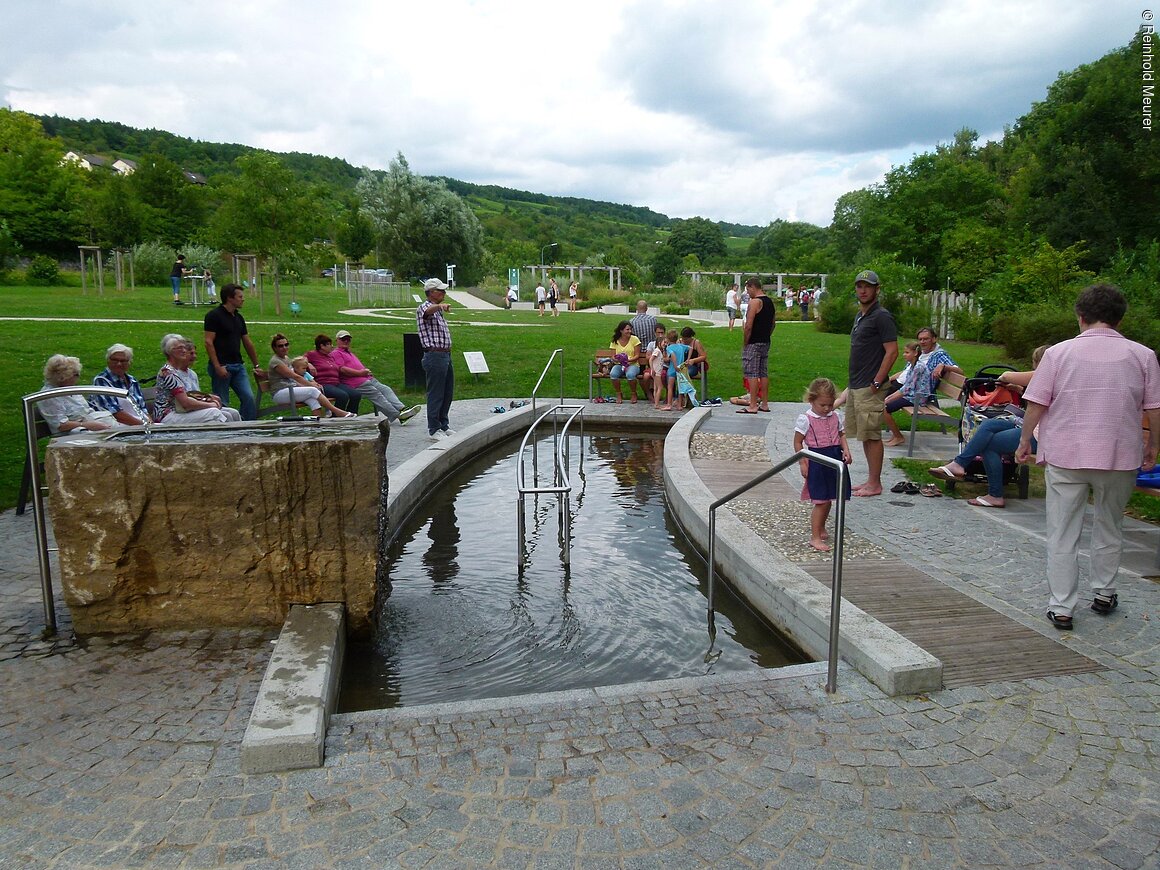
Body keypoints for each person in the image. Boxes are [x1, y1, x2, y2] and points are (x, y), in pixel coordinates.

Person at [1014, 284, 1160, 630]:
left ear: (1080, 316)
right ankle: (1105, 592)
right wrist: (1153, 446)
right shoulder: (1142, 355)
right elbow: (1154, 408)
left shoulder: (1058, 354)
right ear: (1120, 318)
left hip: (1066, 454)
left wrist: (1024, 441)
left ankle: (1062, 606)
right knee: (1110, 524)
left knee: (1063, 531)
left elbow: (1037, 403)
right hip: (1120, 455)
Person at [927, 345, 1049, 506]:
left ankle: (994, 494)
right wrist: (1019, 390)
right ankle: (959, 464)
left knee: (989, 445)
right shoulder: (1050, 377)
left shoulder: (1045, 373)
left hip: (1041, 434)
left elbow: (1006, 375)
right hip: (1034, 427)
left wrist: (1006, 378)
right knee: (990, 424)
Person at [845, 269, 899, 497]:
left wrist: (877, 382)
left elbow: (892, 351)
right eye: (859, 285)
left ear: (877, 289)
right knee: (865, 435)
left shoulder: (882, 316)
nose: (863, 290)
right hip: (857, 383)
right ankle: (870, 480)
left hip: (870, 386)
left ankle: (875, 483)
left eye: (868, 286)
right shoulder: (861, 315)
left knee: (872, 435)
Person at [794, 377, 852, 552]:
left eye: (830, 404)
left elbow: (841, 434)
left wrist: (846, 450)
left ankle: (821, 527)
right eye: (822, 405)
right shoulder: (806, 419)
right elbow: (798, 443)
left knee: (829, 497)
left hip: (835, 458)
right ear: (811, 400)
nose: (827, 408)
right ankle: (815, 537)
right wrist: (803, 463)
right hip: (818, 460)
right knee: (821, 500)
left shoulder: (835, 416)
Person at [330, 330, 418, 423]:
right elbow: (342, 369)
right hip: (355, 382)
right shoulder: (336, 353)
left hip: (366, 378)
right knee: (377, 395)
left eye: (348, 339)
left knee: (385, 389)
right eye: (343, 339)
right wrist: (360, 373)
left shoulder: (349, 352)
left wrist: (366, 372)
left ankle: (402, 409)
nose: (346, 341)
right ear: (337, 340)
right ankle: (399, 416)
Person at [153, 334, 242, 425]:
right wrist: (211, 405)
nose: (184, 351)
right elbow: (186, 404)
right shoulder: (168, 373)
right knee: (214, 413)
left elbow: (192, 397)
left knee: (232, 413)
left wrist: (210, 399)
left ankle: (239, 438)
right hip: (168, 415)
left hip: (183, 412)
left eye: (184, 347)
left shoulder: (182, 372)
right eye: (180, 348)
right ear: (170, 351)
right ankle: (226, 438)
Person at [204, 283, 262, 420]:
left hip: (237, 365)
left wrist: (256, 365)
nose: (243, 299)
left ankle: (247, 428)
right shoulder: (214, 316)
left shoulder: (238, 317)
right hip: (222, 365)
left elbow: (247, 342)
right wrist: (217, 366)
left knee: (248, 398)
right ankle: (225, 432)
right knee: (222, 401)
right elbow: (208, 342)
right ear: (230, 298)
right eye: (240, 296)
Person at [267, 334, 352, 418]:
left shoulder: (285, 358)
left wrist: (311, 382)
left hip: (291, 389)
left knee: (313, 400)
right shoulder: (276, 362)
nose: (284, 347)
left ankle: (317, 426)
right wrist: (311, 385)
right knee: (313, 390)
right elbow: (295, 376)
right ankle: (337, 412)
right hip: (280, 393)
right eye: (280, 346)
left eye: (286, 344)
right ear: (275, 348)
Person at [38, 354, 121, 434]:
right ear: (64, 376)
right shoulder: (50, 396)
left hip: (89, 425)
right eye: (76, 374)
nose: (78, 377)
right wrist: (87, 425)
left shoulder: (68, 388)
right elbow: (61, 425)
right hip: (73, 433)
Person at [417, 278, 456, 440]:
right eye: (441, 291)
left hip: (445, 355)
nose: (444, 293)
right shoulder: (425, 307)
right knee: (436, 393)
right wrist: (439, 306)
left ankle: (443, 424)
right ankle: (434, 429)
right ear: (432, 292)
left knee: (447, 392)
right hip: (434, 356)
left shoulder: (437, 310)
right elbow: (427, 311)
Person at [881, 342, 932, 447]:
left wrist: (888, 399)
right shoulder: (911, 364)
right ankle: (895, 436)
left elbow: (907, 389)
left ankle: (898, 437)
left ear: (915, 353)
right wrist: (888, 398)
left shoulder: (918, 367)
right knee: (883, 405)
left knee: (883, 407)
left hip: (917, 398)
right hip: (911, 395)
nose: (904, 355)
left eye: (907, 352)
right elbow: (906, 386)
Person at [738, 277, 774, 415]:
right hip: (765, 341)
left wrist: (745, 342)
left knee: (752, 372)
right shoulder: (769, 302)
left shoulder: (755, 302)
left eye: (748, 289)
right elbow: (773, 324)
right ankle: (764, 403)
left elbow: (748, 325)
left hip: (754, 342)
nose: (748, 293)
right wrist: (767, 335)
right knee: (763, 372)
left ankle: (752, 405)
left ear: (753, 287)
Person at [91, 343, 148, 426]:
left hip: (140, 424)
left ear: (129, 363)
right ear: (108, 361)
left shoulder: (132, 380)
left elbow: (142, 409)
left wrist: (150, 423)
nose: (119, 364)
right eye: (115, 360)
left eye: (123, 361)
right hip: (117, 426)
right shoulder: (101, 381)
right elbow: (115, 413)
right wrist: (145, 425)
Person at [305, 334, 361, 414]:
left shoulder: (330, 357)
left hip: (336, 383)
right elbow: (300, 360)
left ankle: (351, 416)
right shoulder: (312, 354)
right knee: (342, 396)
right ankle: (337, 417)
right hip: (323, 384)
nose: (332, 346)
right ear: (322, 346)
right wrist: (309, 364)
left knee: (356, 395)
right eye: (329, 344)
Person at [608, 320, 642, 404]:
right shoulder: (615, 341)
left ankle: (633, 393)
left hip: (632, 364)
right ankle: (619, 393)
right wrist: (616, 359)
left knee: (630, 375)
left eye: (630, 329)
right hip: (619, 364)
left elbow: (637, 356)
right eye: (627, 329)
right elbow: (613, 356)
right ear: (621, 330)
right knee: (613, 374)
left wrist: (627, 360)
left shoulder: (634, 339)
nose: (629, 331)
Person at [663, 328, 691, 411]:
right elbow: (690, 348)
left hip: (672, 369)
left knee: (670, 387)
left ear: (667, 339)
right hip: (681, 369)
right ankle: (679, 405)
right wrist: (688, 359)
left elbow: (672, 356)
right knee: (680, 387)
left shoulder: (669, 348)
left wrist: (674, 364)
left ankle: (669, 404)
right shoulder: (681, 346)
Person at [645, 325, 668, 409]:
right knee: (660, 387)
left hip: (658, 371)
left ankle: (656, 402)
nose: (665, 344)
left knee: (655, 387)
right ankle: (657, 404)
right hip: (657, 372)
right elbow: (651, 359)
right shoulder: (657, 351)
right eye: (664, 343)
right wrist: (652, 369)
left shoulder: (660, 351)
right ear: (659, 344)